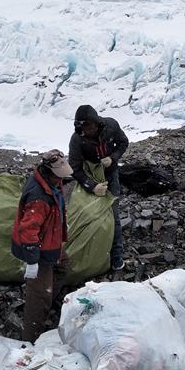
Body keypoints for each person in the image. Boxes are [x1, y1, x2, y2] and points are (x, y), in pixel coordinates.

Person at [11, 150, 73, 342]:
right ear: (48, 172)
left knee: (63, 267)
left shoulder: (51, 183)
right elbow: (28, 230)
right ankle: (30, 340)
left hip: (51, 242)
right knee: (38, 297)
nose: (61, 180)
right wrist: (32, 261)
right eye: (58, 176)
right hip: (40, 249)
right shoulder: (38, 197)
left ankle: (49, 298)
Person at [68, 105, 129, 271]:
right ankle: (92, 254)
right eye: (83, 127)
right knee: (89, 213)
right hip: (91, 176)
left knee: (113, 214)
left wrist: (113, 158)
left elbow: (123, 142)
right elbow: (74, 168)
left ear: (97, 123)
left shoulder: (110, 125)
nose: (88, 131)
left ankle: (116, 258)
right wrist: (92, 186)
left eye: (90, 126)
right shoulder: (77, 140)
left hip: (111, 174)